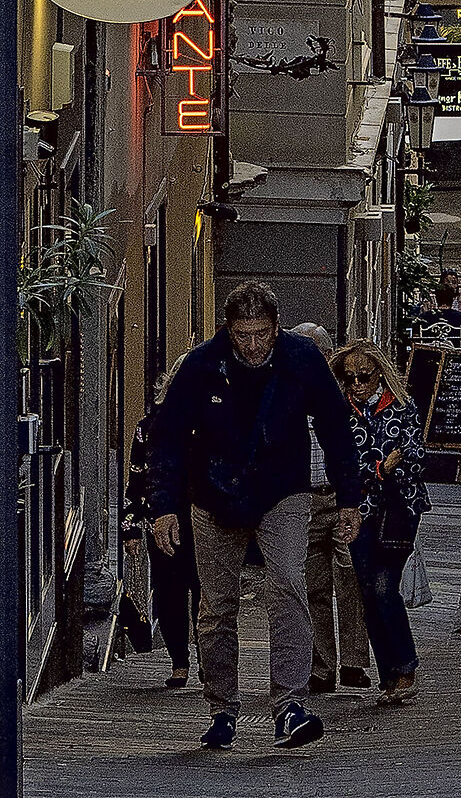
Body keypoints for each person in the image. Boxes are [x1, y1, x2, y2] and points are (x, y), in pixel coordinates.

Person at [148, 279, 362, 754]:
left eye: (261, 333)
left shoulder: (302, 359)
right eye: (242, 335)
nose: (252, 345)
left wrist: (349, 497)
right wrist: (163, 507)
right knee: (217, 605)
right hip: (213, 495)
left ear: (276, 327)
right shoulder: (202, 365)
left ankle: (289, 705)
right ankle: (222, 707)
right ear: (228, 330)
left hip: (282, 490)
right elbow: (168, 438)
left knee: (287, 585)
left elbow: (335, 429)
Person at [331, 343, 430, 707]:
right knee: (367, 591)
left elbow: (417, 459)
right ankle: (390, 674)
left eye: (363, 377)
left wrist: (384, 471)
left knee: (384, 586)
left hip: (399, 510)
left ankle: (406, 667)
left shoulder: (403, 408)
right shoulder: (340, 412)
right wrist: (380, 469)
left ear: (379, 374)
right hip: (356, 511)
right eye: (349, 377)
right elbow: (340, 463)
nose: (356, 384)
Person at [292, 324, 372, 695]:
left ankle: (353, 662)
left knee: (350, 578)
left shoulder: (343, 395)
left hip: (339, 498)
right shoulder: (287, 394)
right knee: (314, 587)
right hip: (303, 499)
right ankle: (321, 666)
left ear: (325, 356)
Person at [122, 365, 200, 688]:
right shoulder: (148, 428)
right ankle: (179, 661)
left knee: (206, 592)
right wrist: (129, 526)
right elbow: (136, 478)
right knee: (168, 592)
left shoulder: (210, 424)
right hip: (161, 519)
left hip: (204, 520)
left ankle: (209, 659)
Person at [417, 274, 461, 347]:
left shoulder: (423, 317)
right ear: (452, 300)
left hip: (427, 354)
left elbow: (415, 339)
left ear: (436, 299)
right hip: (453, 355)